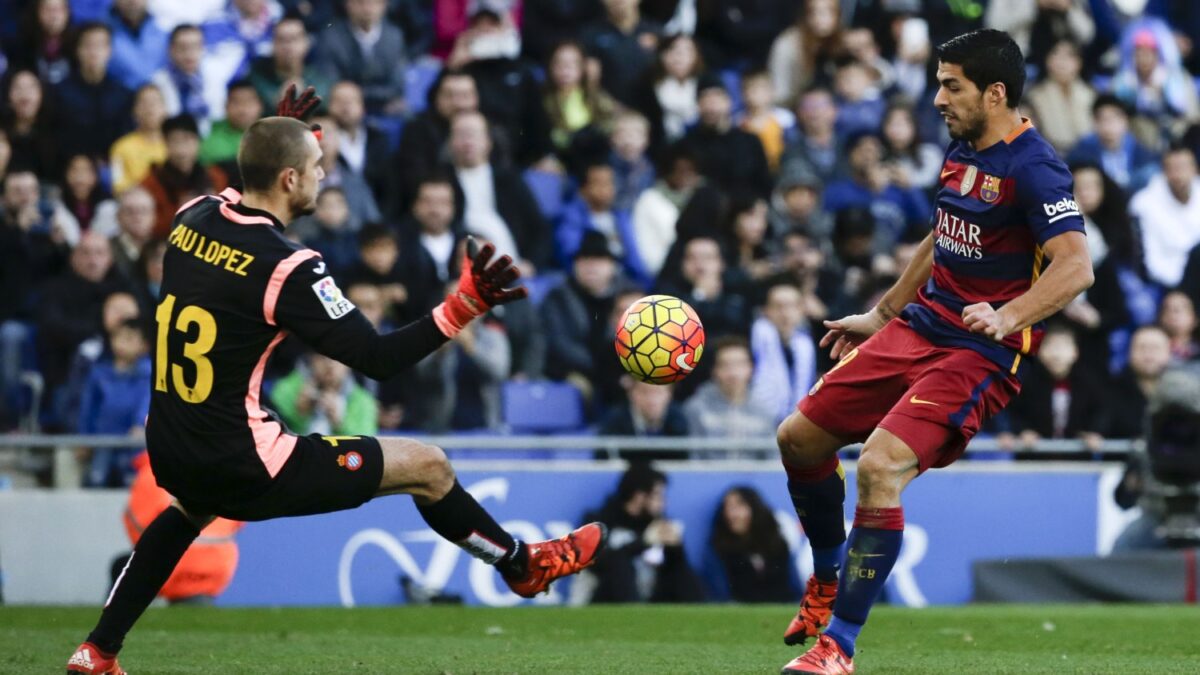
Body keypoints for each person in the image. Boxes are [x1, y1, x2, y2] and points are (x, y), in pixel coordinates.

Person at [65, 87, 607, 674]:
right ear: (291, 180)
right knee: (428, 467)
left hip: (170, 442)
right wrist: (464, 306)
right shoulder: (290, 267)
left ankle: (98, 650)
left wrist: (286, 131)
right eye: (318, 167)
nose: (326, 177)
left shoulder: (189, 216)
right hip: (243, 459)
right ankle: (521, 565)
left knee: (187, 512)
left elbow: (253, 173)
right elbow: (377, 358)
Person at [778, 31, 1093, 674]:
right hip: (919, 325)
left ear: (995, 93)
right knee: (798, 439)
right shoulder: (961, 147)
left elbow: (1075, 268)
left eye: (952, 85)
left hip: (978, 353)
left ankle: (837, 646)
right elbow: (942, 232)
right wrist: (883, 312)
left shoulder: (1035, 167)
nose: (938, 97)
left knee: (879, 465)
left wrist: (1007, 317)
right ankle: (826, 577)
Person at [575, 462, 706, 603]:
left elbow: (672, 570)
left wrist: (675, 548)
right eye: (657, 495)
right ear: (639, 495)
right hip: (600, 600)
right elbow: (598, 563)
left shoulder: (656, 522)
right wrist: (643, 542)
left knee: (683, 572)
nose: (663, 503)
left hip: (646, 598)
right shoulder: (598, 521)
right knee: (621, 566)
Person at [78, 318, 151, 488]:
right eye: (120, 337)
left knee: (132, 486)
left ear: (144, 345)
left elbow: (148, 399)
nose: (123, 343)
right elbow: (88, 408)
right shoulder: (99, 373)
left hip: (133, 443)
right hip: (103, 441)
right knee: (97, 481)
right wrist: (84, 438)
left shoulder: (148, 373)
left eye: (131, 338)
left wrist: (140, 424)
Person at [704, 485, 801, 603]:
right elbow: (721, 596)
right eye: (728, 508)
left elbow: (796, 591)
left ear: (755, 508)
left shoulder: (778, 546)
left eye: (739, 506)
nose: (733, 515)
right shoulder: (718, 550)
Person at [141, 114, 228, 237]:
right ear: (165, 144)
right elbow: (149, 226)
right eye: (174, 140)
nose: (181, 148)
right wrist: (181, 212)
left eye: (187, 139)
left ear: (198, 141)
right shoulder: (150, 182)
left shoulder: (216, 177)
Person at [316, 0, 407, 115]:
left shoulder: (395, 37)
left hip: (386, 107)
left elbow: (397, 85)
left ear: (384, 5)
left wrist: (359, 94)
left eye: (374, 2)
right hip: (345, 108)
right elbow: (331, 84)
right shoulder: (330, 38)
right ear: (348, 4)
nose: (367, 8)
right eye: (360, 2)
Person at [683, 336, 776, 444]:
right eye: (725, 365)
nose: (733, 373)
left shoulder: (764, 411)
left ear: (751, 368)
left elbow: (770, 457)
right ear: (714, 370)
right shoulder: (696, 409)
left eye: (739, 364)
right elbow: (694, 456)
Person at [1130, 144, 1200, 288]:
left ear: (1195, 170)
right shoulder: (1143, 204)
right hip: (1167, 284)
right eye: (1173, 168)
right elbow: (1151, 262)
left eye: (1183, 167)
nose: (1178, 174)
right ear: (1164, 171)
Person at [749, 282, 817, 425]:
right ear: (766, 310)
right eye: (778, 306)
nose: (785, 313)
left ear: (801, 310)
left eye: (792, 306)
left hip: (795, 423)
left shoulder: (806, 345)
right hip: (756, 421)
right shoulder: (753, 339)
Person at [271, 352, 379, 436]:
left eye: (338, 358)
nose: (330, 364)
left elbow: (366, 448)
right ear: (312, 359)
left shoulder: (364, 401)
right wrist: (299, 414)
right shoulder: (285, 389)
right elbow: (271, 435)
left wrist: (340, 424)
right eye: (323, 356)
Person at [109, 84, 168, 194]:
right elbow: (118, 186)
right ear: (134, 111)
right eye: (144, 103)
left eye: (154, 102)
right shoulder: (121, 147)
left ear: (165, 109)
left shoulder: (173, 145)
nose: (149, 108)